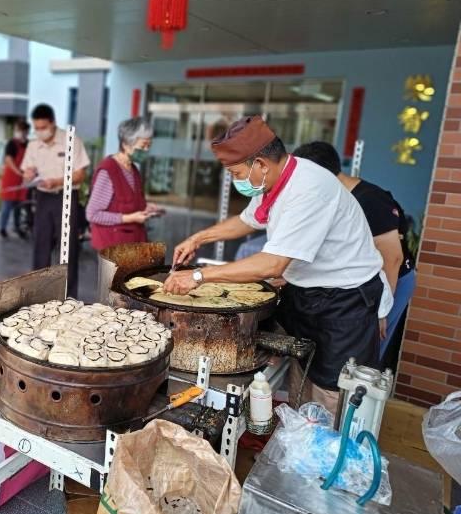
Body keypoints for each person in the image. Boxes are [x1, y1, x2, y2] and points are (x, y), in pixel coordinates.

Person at [163, 116, 390, 416]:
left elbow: (273, 264)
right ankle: (297, 445)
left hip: (344, 303)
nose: (235, 180)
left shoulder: (309, 188)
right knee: (302, 379)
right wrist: (199, 237)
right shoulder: (277, 181)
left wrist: (199, 275)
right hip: (309, 292)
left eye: (236, 172)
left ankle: (323, 458)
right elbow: (248, 220)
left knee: (330, 394)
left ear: (260, 164)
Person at [292, 141, 416, 361]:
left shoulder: (371, 200)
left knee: (369, 344)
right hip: (360, 282)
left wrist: (380, 310)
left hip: (391, 278)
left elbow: (392, 258)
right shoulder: (331, 197)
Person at [21, 104, 90, 298]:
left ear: (52, 123)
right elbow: (27, 173)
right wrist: (28, 174)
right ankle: (38, 297)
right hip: (42, 198)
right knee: (40, 247)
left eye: (43, 127)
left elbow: (80, 175)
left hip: (66, 197)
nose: (40, 132)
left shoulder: (71, 141)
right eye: (37, 128)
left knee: (67, 249)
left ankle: (68, 297)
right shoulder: (33, 145)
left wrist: (58, 181)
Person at [86, 117, 162, 251]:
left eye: (149, 146)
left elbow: (127, 202)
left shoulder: (133, 170)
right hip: (112, 246)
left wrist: (146, 207)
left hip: (133, 243)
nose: (146, 150)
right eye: (143, 146)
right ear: (126, 144)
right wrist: (129, 218)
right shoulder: (108, 171)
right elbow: (93, 214)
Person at [0, 120, 29, 240]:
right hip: (11, 179)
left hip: (23, 180)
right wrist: (18, 172)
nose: (23, 134)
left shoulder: (28, 145)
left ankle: (17, 227)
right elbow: (8, 160)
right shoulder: (11, 143)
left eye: (25, 131)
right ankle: (2, 229)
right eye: (20, 131)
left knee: (19, 205)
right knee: (7, 206)